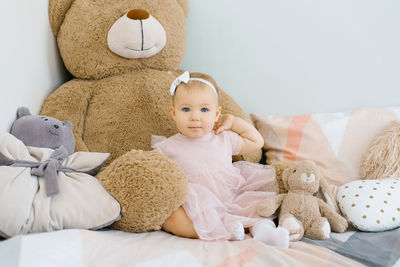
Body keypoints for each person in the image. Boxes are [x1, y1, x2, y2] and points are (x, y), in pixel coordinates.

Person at [152, 71, 289, 248]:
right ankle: (224, 231)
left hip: (232, 192)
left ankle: (265, 231)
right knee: (172, 218)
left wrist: (233, 122)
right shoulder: (168, 146)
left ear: (217, 114)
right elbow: (156, 172)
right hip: (197, 202)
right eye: (186, 109)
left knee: (255, 208)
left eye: (204, 110)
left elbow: (257, 141)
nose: (195, 117)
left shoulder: (223, 138)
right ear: (173, 113)